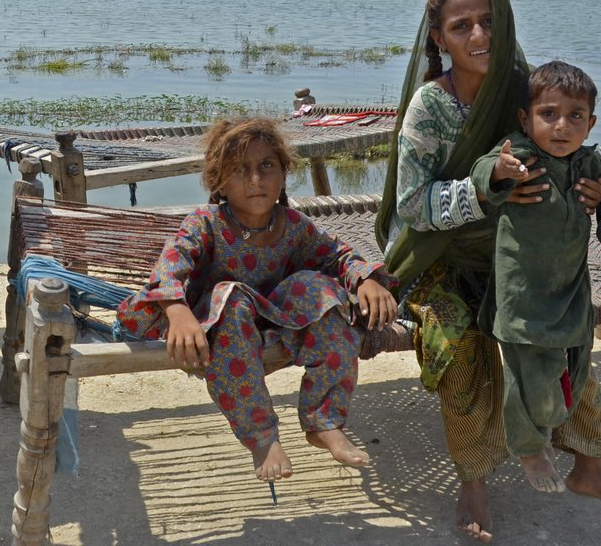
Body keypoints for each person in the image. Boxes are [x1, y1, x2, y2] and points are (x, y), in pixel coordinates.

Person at [375, 0, 601, 542]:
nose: (479, 35)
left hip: (521, 258)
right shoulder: (431, 108)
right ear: (438, 39)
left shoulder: (528, 93)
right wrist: (482, 191)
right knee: (460, 346)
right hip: (442, 256)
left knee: (568, 332)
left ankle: (589, 464)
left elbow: (577, 162)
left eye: (489, 22)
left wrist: (594, 199)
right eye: (461, 26)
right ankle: (473, 477)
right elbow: (410, 206)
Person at [116, 117, 400, 484]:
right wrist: (177, 311)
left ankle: (324, 421)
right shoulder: (206, 222)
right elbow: (171, 265)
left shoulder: (295, 226)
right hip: (217, 326)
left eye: (267, 165)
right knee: (230, 297)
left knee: (324, 293)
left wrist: (365, 279)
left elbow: (337, 256)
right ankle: (263, 438)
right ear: (219, 181)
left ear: (283, 172)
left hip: (272, 319)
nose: (255, 179)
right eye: (240, 170)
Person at [470, 61, 601, 494]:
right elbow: (483, 171)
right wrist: (501, 171)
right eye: (549, 114)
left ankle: (551, 430)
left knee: (575, 372)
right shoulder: (521, 153)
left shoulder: (589, 161)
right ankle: (528, 446)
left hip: (572, 290)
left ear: (591, 122)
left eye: (575, 116)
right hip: (523, 296)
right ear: (526, 119)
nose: (562, 126)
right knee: (533, 380)